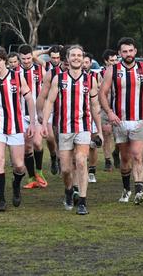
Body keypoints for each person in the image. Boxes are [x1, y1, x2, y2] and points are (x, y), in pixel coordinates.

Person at [99, 37, 143, 204]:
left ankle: (139, 191)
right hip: (120, 121)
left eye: (130, 50)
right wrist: (109, 112)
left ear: (135, 51)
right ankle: (126, 189)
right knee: (125, 158)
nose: (128, 54)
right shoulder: (112, 70)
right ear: (120, 53)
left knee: (137, 155)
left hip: (140, 119)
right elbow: (102, 94)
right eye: (124, 51)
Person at [42, 45, 103, 215]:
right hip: (64, 129)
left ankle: (83, 201)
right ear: (67, 59)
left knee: (82, 160)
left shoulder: (90, 79)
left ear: (83, 59)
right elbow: (49, 102)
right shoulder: (58, 79)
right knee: (67, 169)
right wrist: (43, 124)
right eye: (73, 55)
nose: (76, 58)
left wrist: (98, 130)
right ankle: (69, 191)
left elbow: (95, 104)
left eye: (79, 55)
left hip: (83, 127)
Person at [0, 47, 37, 211]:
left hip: (16, 127)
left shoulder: (17, 77)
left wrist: (32, 123)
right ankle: (2, 200)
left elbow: (30, 99)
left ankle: (16, 186)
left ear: (5, 61)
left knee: (19, 166)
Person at [17, 44, 48, 190]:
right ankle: (31, 178)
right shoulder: (14, 72)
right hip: (22, 114)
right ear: (19, 58)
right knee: (27, 147)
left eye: (29, 58)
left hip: (37, 113)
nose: (27, 61)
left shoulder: (39, 69)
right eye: (23, 59)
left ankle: (40, 172)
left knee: (37, 143)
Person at [35, 45, 65, 175]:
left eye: (58, 57)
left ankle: (60, 160)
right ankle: (54, 156)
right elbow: (33, 55)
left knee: (60, 136)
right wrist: (46, 51)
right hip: (49, 105)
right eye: (53, 57)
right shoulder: (46, 66)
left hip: (62, 106)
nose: (55, 60)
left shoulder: (68, 66)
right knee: (50, 137)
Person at [82, 52, 101, 183]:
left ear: (90, 63)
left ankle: (92, 171)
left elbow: (100, 93)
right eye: (82, 62)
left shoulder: (95, 76)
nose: (83, 65)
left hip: (92, 114)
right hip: (78, 115)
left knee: (93, 145)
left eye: (86, 62)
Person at [100, 49, 119, 171]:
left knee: (121, 137)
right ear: (106, 61)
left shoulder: (121, 73)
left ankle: (116, 152)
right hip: (105, 109)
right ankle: (107, 160)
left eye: (116, 60)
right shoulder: (100, 74)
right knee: (107, 135)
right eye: (111, 60)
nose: (114, 62)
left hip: (119, 109)